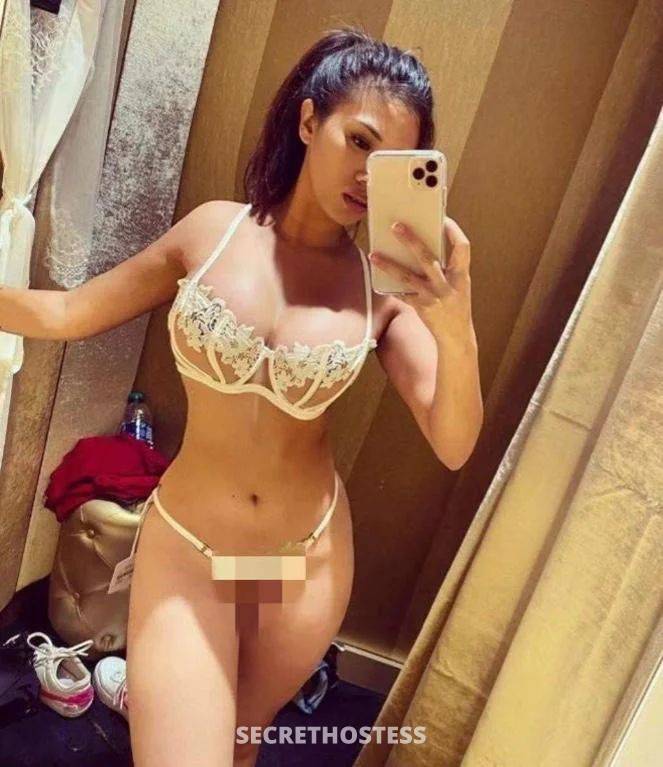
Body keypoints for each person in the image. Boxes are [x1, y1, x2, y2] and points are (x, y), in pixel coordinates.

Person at [0, 25, 483, 767]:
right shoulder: (212, 234)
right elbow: (66, 314)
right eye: (358, 141)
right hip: (191, 552)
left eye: (390, 161)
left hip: (299, 564)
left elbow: (453, 442)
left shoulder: (381, 293)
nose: (367, 174)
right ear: (309, 120)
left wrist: (456, 330)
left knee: (238, 744)